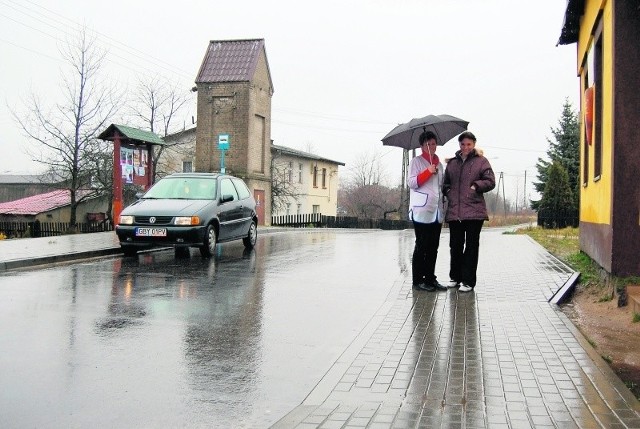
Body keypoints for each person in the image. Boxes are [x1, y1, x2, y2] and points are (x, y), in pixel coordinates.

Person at [442, 131, 495, 293]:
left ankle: (468, 281)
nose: (465, 147)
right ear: (459, 145)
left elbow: (490, 181)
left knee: (471, 246)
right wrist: (449, 191)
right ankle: (455, 277)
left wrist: (476, 186)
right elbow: (445, 184)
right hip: (454, 212)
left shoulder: (481, 162)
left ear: (474, 144)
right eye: (463, 144)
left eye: (469, 144)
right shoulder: (452, 164)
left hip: (474, 211)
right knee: (455, 246)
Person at [408, 130, 447, 292]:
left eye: (433, 143)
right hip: (421, 210)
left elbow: (441, 186)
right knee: (422, 246)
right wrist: (427, 172)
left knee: (433, 247)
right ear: (422, 146)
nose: (431, 147)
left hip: (436, 209)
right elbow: (412, 183)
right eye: (427, 144)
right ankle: (418, 280)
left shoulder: (439, 164)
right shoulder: (416, 162)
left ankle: (430, 278)